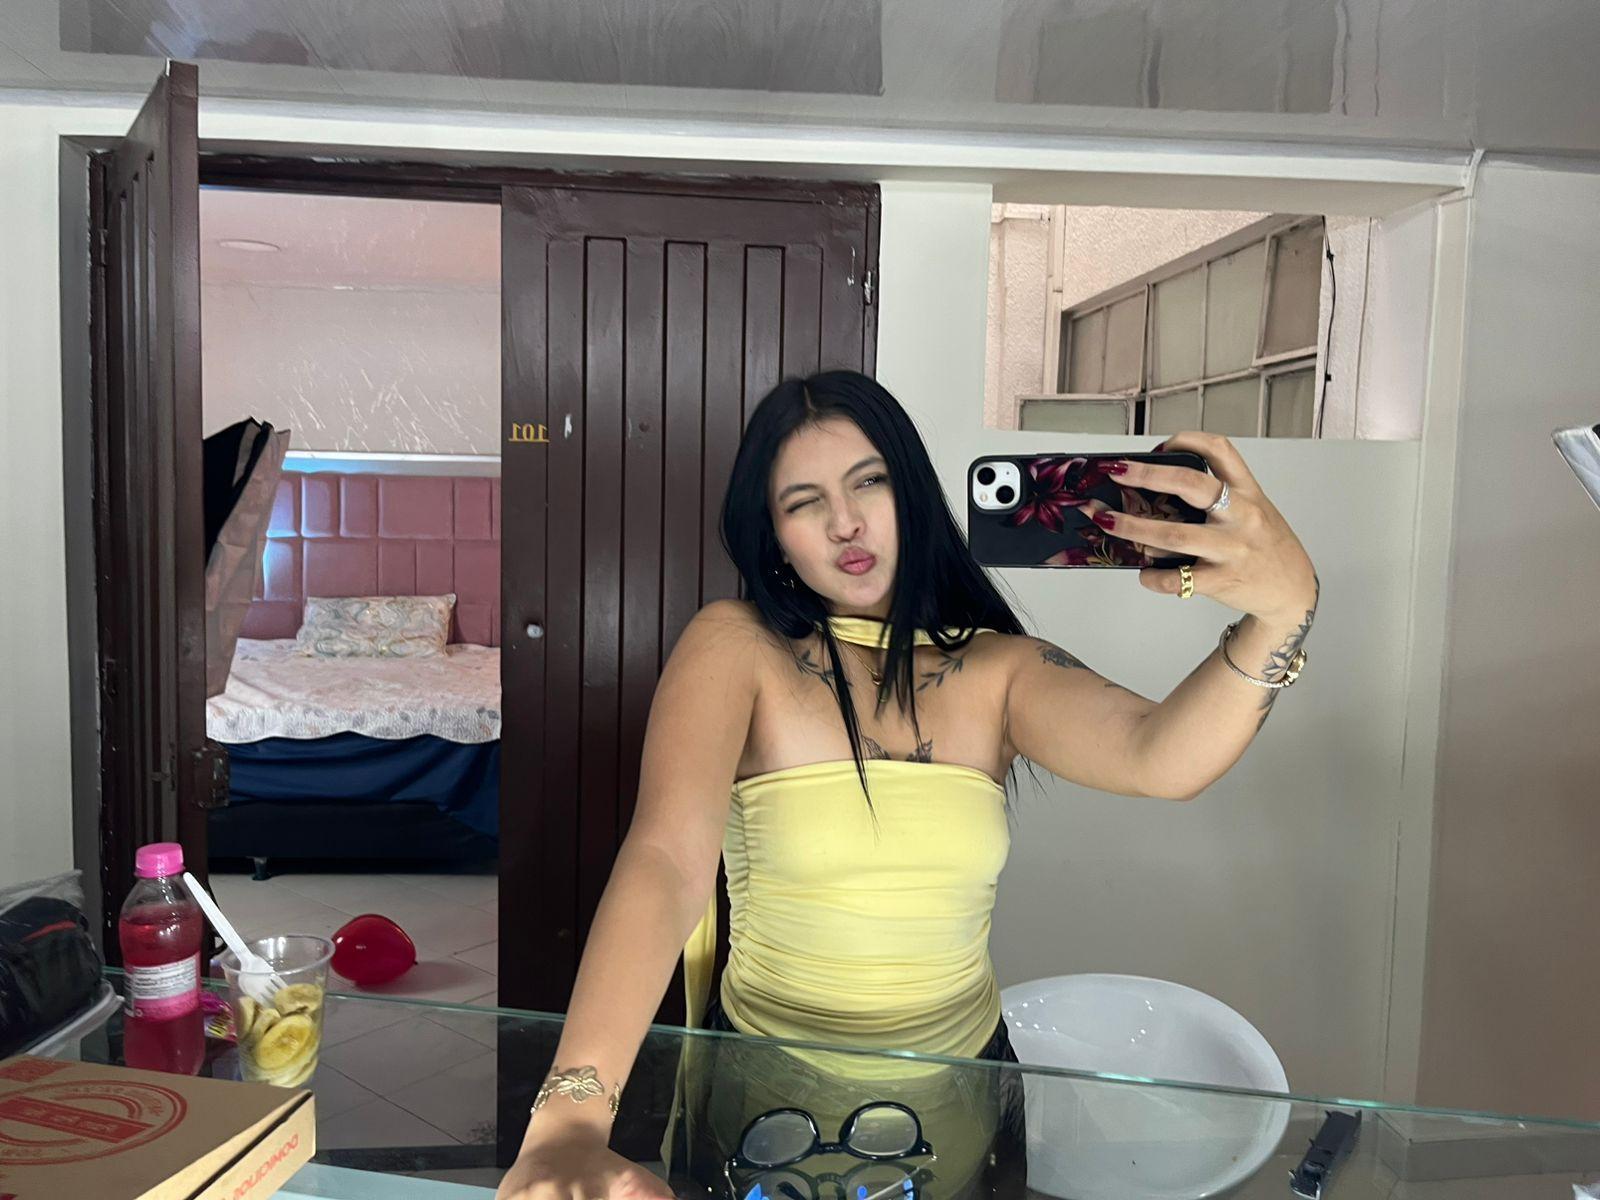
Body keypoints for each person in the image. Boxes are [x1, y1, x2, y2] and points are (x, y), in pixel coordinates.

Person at [495, 370, 1319, 1200]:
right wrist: (570, 1118)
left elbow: (1161, 757)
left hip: (963, 1093)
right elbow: (668, 861)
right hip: (767, 1094)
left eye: (870, 482)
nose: (844, 522)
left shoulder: (999, 670)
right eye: (803, 502)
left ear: (913, 495)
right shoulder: (737, 649)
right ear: (773, 535)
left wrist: (1283, 614)